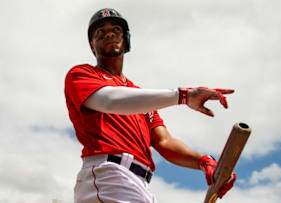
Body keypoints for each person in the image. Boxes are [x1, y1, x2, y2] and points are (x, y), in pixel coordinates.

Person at [65, 8, 236, 203]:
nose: (109, 34)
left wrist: (203, 161)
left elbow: (164, 142)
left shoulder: (139, 96)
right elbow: (111, 101)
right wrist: (183, 96)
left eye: (116, 30)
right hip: (108, 176)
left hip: (138, 184)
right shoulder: (82, 74)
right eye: (100, 33)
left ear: (126, 40)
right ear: (92, 46)